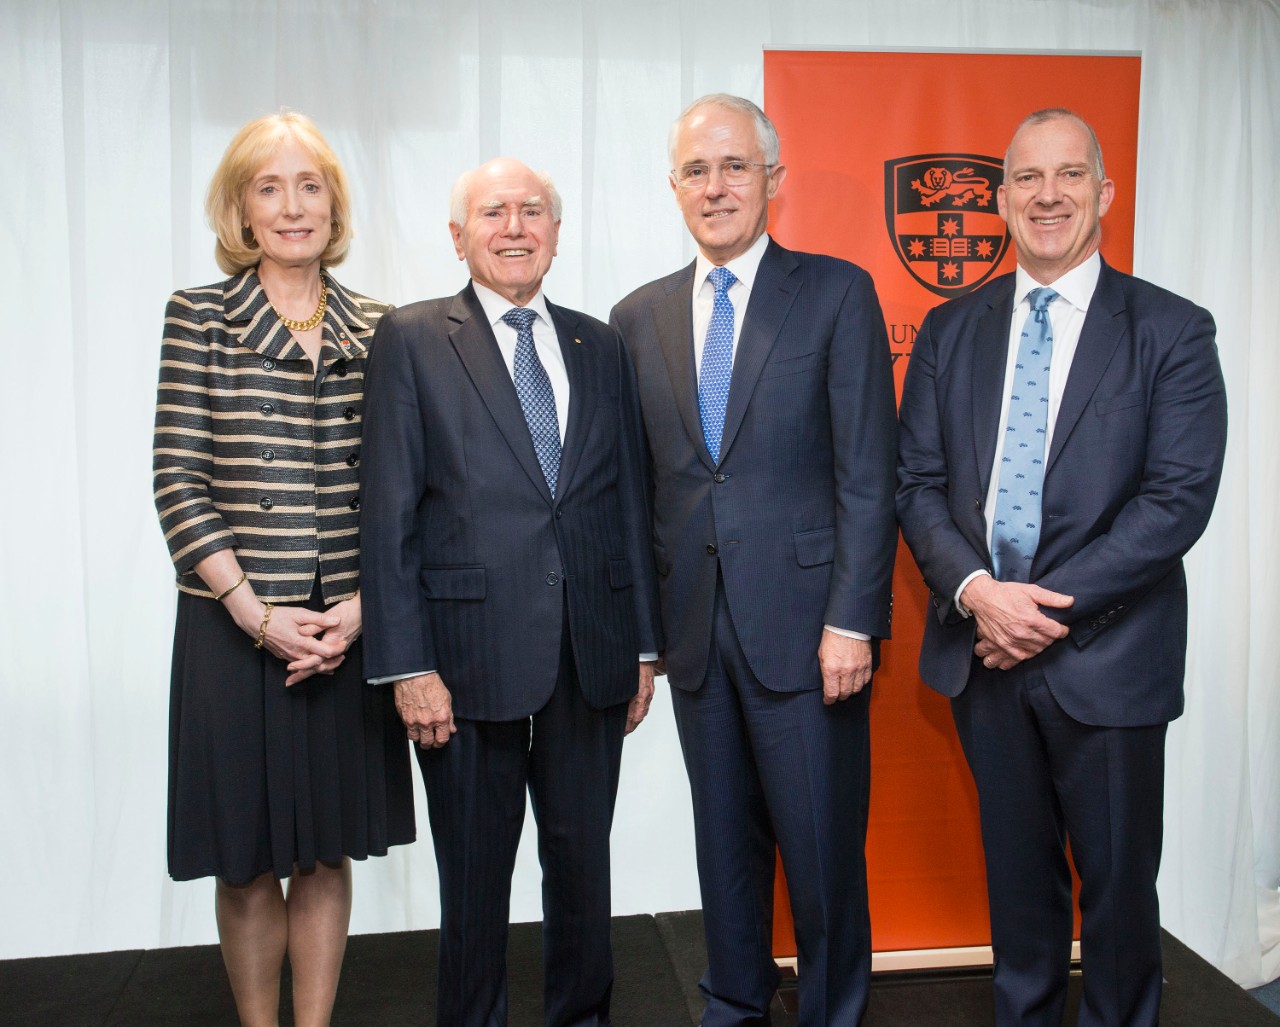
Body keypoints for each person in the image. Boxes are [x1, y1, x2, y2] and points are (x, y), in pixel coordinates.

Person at [896, 108, 1228, 1027]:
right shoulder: (949, 328)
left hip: (1110, 662)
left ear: (1104, 194)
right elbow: (917, 480)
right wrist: (976, 594)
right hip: (981, 656)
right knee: (1019, 887)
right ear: (1000, 199)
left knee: (1119, 895)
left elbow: (1176, 502)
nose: (1049, 196)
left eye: (1070, 176)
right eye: (1029, 179)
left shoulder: (1172, 330)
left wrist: (1035, 613)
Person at [610, 94, 899, 1026]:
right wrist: (644, 643)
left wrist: (853, 617)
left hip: (812, 634)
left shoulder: (837, 291)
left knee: (820, 853)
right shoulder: (637, 315)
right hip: (696, 635)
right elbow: (642, 497)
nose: (716, 185)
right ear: (673, 188)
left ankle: (832, 1013)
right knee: (723, 848)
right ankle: (734, 1003)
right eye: (697, 170)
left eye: (735, 166)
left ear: (773, 179)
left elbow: (869, 471)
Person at [358, 158, 662, 1027]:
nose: (516, 226)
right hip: (461, 660)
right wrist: (407, 664)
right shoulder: (414, 338)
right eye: (494, 212)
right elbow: (387, 513)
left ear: (558, 234)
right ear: (459, 236)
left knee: (581, 868)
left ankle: (582, 1017)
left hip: (589, 650)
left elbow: (626, 501)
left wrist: (643, 645)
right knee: (476, 876)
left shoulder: (597, 343)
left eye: (534, 211)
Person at [152, 111, 414, 1027]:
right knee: (246, 855)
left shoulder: (382, 326)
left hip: (342, 626)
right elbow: (177, 481)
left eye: (310, 186)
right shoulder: (200, 316)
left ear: (333, 204)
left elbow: (401, 489)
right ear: (242, 209)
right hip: (236, 628)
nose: (292, 206)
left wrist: (359, 610)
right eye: (270, 187)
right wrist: (257, 613)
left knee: (325, 850)